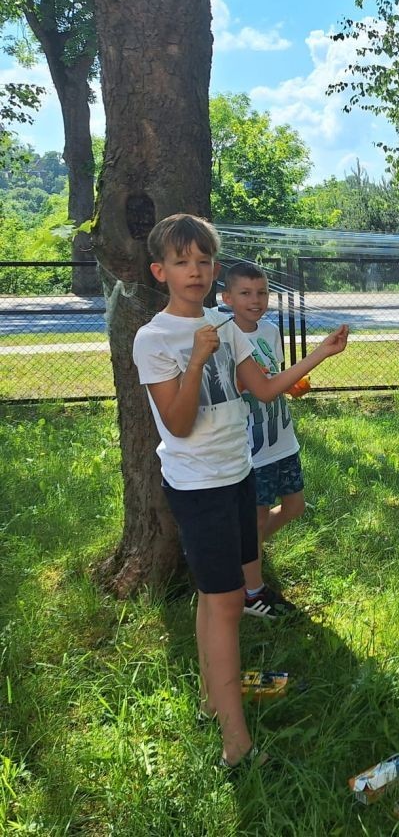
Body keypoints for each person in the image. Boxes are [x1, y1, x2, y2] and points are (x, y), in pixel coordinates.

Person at [132, 213, 348, 769]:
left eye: (204, 260)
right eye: (183, 262)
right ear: (161, 271)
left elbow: (266, 389)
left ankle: (212, 700)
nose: (196, 271)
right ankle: (237, 745)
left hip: (238, 474)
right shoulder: (154, 338)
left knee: (215, 597)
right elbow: (177, 424)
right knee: (227, 601)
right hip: (197, 484)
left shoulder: (226, 326)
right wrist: (198, 358)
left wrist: (321, 353)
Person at [221, 262, 308, 619]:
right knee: (254, 519)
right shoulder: (224, 335)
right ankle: (252, 592)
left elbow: (275, 377)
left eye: (261, 292)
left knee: (294, 507)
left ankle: (246, 556)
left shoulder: (270, 331)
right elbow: (230, 387)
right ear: (227, 298)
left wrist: (293, 384)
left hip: (282, 440)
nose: (255, 300)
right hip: (251, 448)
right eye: (245, 293)